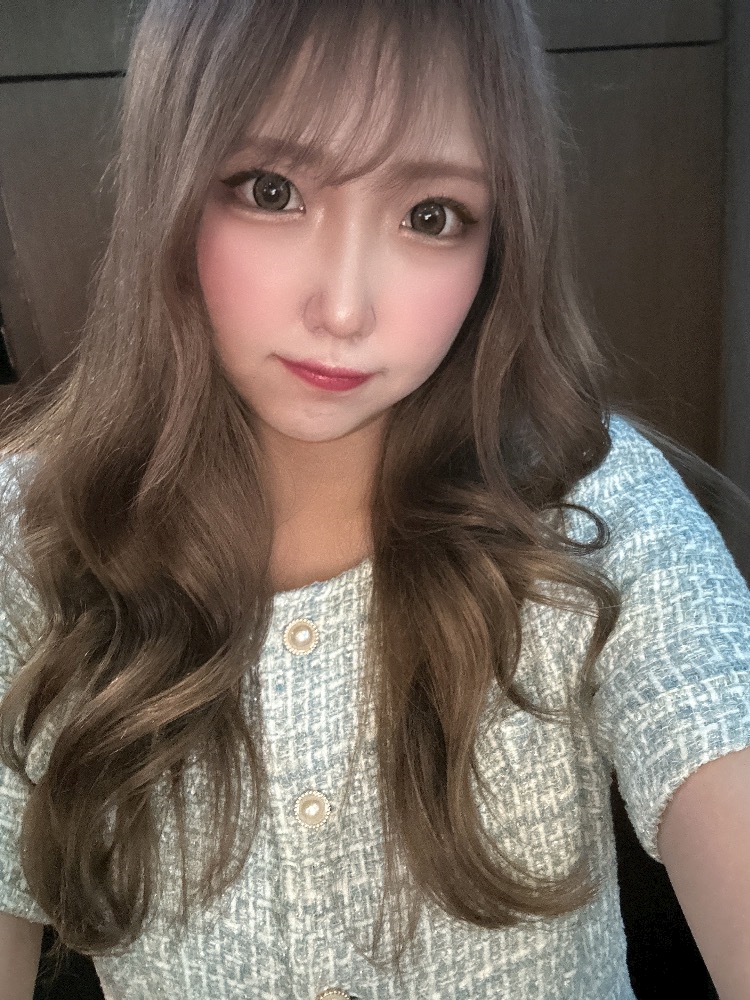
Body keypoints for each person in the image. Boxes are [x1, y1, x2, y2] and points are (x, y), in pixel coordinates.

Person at [0, 0, 749, 997]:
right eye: (272, 191)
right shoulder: (34, 539)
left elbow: (712, 716)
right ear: (168, 185)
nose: (345, 308)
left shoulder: (592, 509)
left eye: (431, 215)